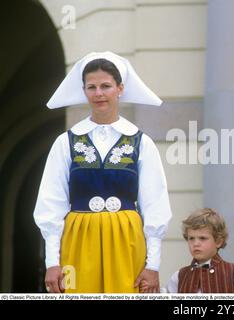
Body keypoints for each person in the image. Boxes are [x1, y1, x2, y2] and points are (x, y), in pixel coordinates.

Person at [34, 51, 172, 293]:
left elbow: (155, 204)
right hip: (77, 241)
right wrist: (52, 263)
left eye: (106, 86)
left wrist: (153, 264)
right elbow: (51, 202)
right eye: (92, 87)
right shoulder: (66, 142)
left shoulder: (142, 142)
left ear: (120, 88)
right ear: (84, 91)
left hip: (127, 241)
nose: (98, 93)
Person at [161, 208, 234, 293]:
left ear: (218, 241)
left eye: (202, 238)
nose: (195, 243)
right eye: (191, 238)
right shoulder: (179, 276)